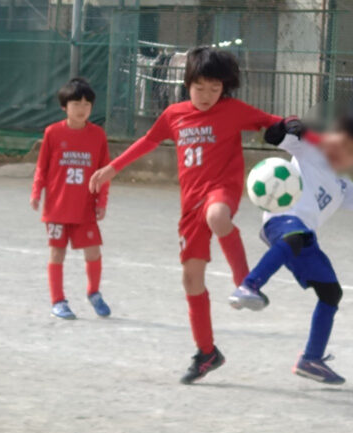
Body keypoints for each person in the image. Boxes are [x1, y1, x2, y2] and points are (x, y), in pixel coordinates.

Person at [89, 47, 281, 384]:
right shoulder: (174, 114)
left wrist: (299, 129)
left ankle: (247, 283)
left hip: (221, 188)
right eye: (200, 88)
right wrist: (111, 168)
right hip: (189, 205)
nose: (207, 95)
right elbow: (148, 141)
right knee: (191, 280)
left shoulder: (232, 111)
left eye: (215, 89)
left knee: (218, 216)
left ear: (225, 89)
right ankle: (207, 352)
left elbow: (273, 123)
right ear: (187, 83)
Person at [229, 116, 353, 384]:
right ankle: (248, 286)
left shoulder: (343, 185)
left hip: (304, 237)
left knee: (331, 293)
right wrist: (286, 126)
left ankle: (311, 359)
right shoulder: (309, 151)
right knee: (296, 235)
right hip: (281, 221)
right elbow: (272, 137)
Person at [31, 78, 112, 320]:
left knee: (94, 252)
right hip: (57, 209)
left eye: (87, 104)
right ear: (64, 106)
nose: (82, 108)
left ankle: (94, 292)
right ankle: (58, 301)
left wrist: (102, 202)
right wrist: (36, 192)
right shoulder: (53, 133)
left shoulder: (97, 135)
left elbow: (104, 171)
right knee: (57, 254)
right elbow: (41, 168)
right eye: (76, 103)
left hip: (85, 209)